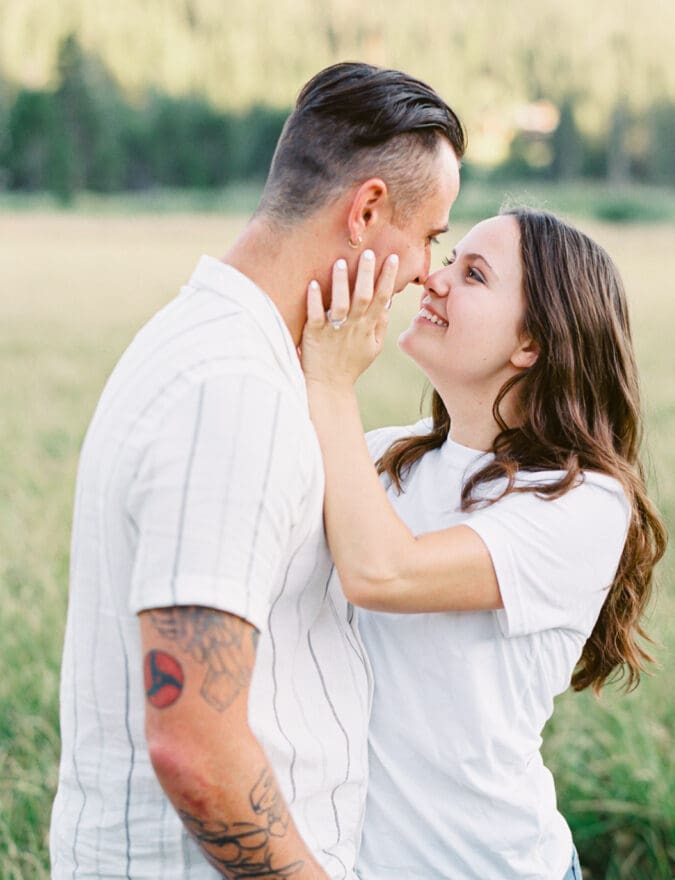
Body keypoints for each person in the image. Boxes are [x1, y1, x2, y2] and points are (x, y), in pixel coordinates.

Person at [49, 62, 465, 879]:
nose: (426, 273)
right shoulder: (232, 394)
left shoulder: (223, 347)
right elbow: (194, 749)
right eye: (430, 237)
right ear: (368, 210)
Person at [301, 206, 667, 880]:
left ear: (529, 343)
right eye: (448, 260)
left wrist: (328, 380)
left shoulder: (581, 503)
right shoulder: (384, 459)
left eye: (472, 274)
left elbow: (383, 573)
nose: (433, 281)